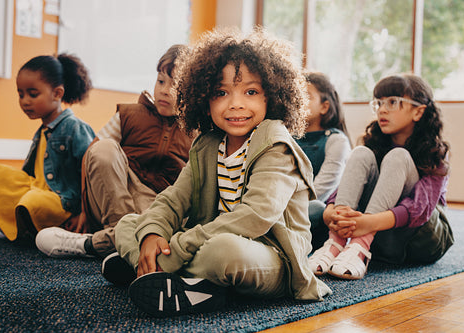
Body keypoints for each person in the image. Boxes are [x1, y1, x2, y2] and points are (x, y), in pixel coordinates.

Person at [107, 28, 332, 317]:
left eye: (251, 92)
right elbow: (174, 199)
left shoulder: (277, 146)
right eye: (221, 93)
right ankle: (168, 273)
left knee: (223, 252)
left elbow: (255, 216)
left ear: (272, 96)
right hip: (206, 240)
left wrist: (177, 248)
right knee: (130, 224)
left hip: (271, 257)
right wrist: (153, 233)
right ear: (204, 98)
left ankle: (150, 267)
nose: (236, 103)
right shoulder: (208, 145)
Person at [35, 44, 194, 261]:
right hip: (116, 195)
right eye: (161, 81)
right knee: (102, 147)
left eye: (175, 85)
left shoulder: (197, 129)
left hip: (155, 206)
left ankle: (95, 243)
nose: (165, 90)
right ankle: (121, 234)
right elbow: (91, 157)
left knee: (179, 215)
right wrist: (83, 210)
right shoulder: (129, 114)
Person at [308, 73, 454, 280]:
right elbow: (348, 187)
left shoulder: (436, 152)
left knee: (398, 157)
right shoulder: (374, 143)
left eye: (393, 102)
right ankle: (336, 243)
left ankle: (360, 245)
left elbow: (420, 208)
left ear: (418, 112)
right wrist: (332, 211)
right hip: (381, 235)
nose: (382, 109)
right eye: (379, 103)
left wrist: (368, 223)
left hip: (421, 237)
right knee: (360, 153)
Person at [0, 54, 95, 245]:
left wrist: (84, 213)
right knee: (2, 179)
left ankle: (48, 227)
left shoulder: (74, 127)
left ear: (57, 93)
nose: (25, 101)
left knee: (32, 202)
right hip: (39, 187)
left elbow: (91, 173)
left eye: (32, 94)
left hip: (62, 199)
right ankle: (34, 226)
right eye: (20, 94)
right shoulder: (42, 131)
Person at [295, 72, 351, 250]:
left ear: (324, 107)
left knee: (316, 208)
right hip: (282, 206)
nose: (298, 100)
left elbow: (321, 189)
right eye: (296, 94)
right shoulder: (287, 138)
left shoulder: (336, 141)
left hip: (313, 210)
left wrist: (286, 207)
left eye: (306, 96)